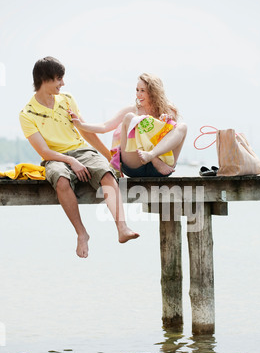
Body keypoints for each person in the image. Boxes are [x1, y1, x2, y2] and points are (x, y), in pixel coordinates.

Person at [19, 56, 139, 258]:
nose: (62, 83)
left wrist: (108, 158)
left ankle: (122, 228)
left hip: (82, 151)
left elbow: (85, 131)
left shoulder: (67, 100)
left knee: (106, 174)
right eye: (58, 79)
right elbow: (44, 152)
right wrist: (71, 162)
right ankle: (81, 234)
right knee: (62, 181)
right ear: (44, 79)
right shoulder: (27, 113)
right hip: (54, 157)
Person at [69, 73, 187, 177]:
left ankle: (152, 155)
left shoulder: (168, 110)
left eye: (143, 91)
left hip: (162, 166)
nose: (138, 94)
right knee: (131, 118)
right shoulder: (131, 110)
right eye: (137, 90)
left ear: (153, 91)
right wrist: (80, 125)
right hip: (135, 164)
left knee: (182, 127)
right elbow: (105, 127)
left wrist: (167, 122)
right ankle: (152, 157)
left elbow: (172, 138)